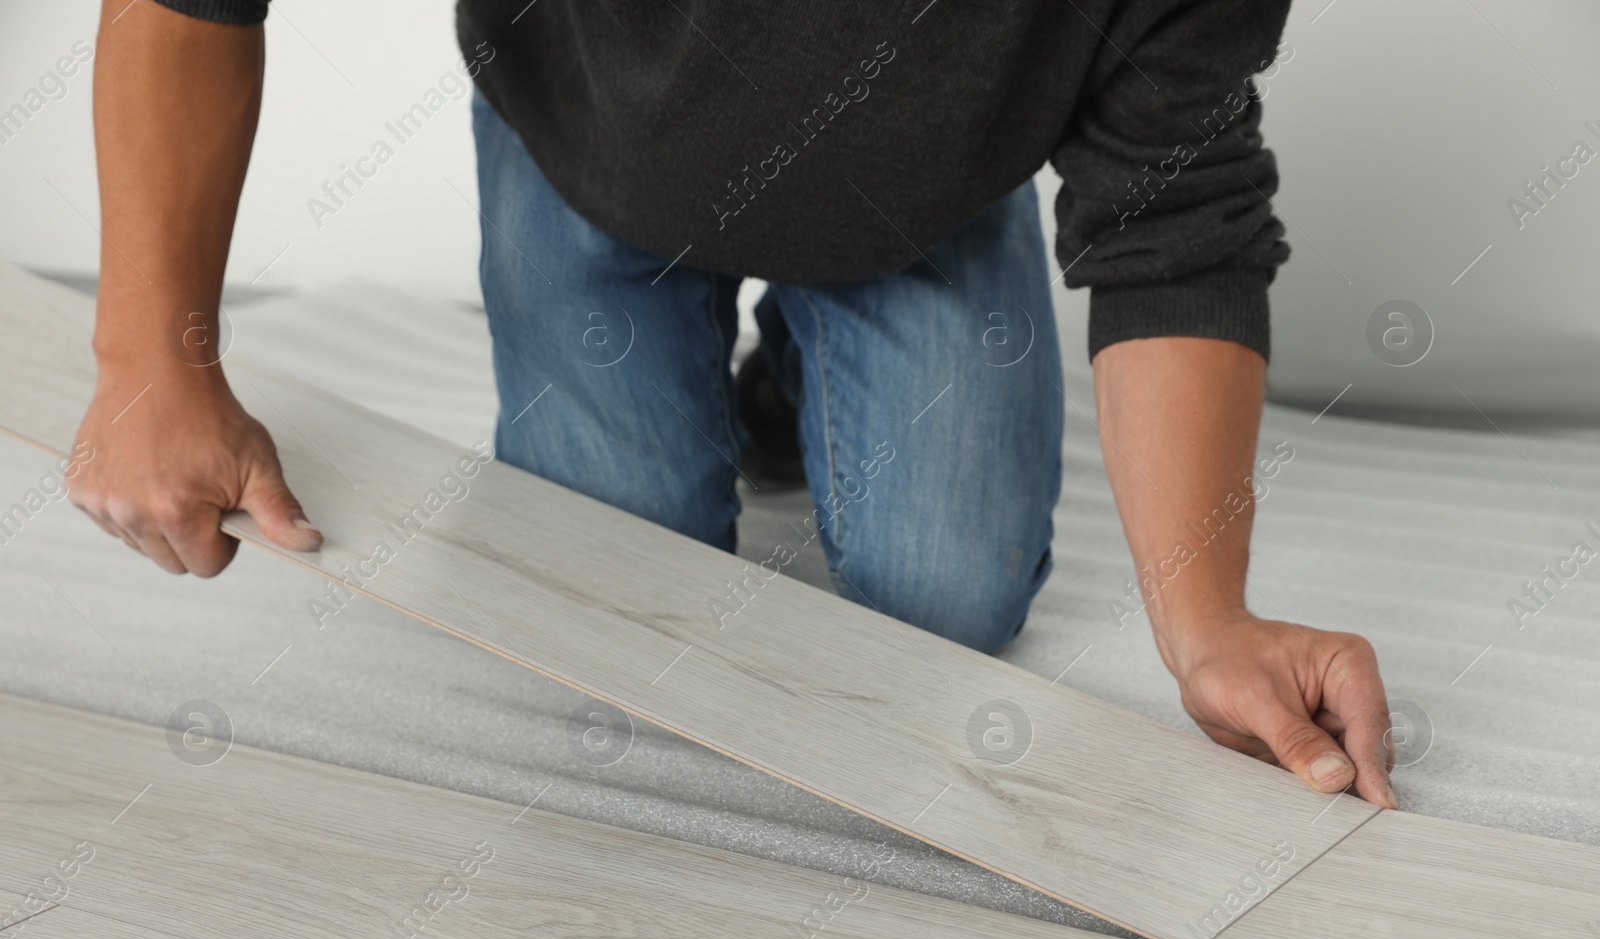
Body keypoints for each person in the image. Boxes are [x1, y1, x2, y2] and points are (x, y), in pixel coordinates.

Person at [68, 0, 1396, 807]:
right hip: (596, 134)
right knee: (612, 584)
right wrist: (151, 359)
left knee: (947, 600)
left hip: (915, 184)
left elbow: (1173, 212)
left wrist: (1206, 617)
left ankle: (797, 375)